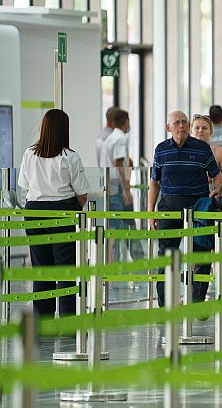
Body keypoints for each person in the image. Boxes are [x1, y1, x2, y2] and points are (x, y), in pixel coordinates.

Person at [18, 109, 91, 317]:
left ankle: (43, 320)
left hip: (34, 212)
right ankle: (68, 321)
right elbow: (82, 194)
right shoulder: (70, 157)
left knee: (41, 268)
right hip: (63, 212)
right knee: (66, 268)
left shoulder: (29, 154)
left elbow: (24, 185)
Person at [147, 111, 222, 308]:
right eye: (176, 122)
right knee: (166, 255)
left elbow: (216, 174)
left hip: (197, 206)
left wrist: (216, 190)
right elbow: (154, 182)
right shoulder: (161, 149)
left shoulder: (201, 148)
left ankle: (196, 300)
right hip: (169, 206)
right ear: (168, 127)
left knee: (202, 253)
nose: (181, 125)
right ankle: (165, 305)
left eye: (184, 122)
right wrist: (150, 213)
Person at [99, 109, 138, 262]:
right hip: (117, 188)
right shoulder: (120, 138)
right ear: (126, 121)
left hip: (109, 186)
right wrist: (127, 189)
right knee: (115, 230)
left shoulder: (110, 138)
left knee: (113, 229)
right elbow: (118, 162)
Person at [191, 114, 222, 179]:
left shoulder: (220, 153)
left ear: (211, 132)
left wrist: (215, 179)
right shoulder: (184, 151)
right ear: (191, 130)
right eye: (197, 128)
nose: (200, 130)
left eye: (204, 128)